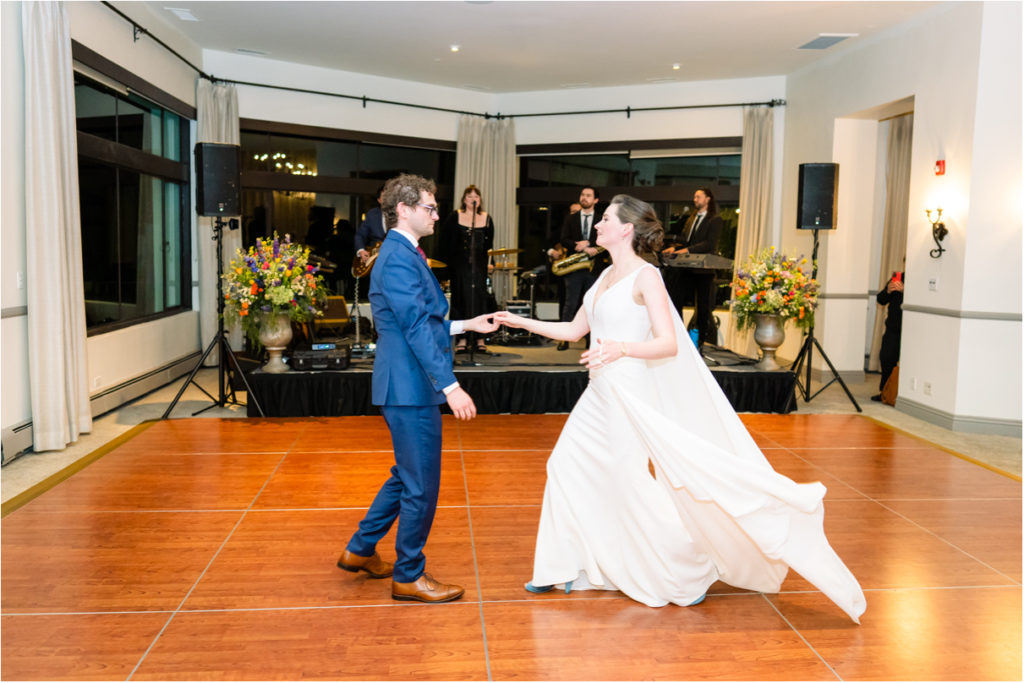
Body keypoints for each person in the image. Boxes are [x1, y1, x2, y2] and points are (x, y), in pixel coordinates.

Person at [493, 194, 865, 623]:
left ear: (626, 229)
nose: (597, 226)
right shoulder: (604, 276)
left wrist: (620, 348)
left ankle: (685, 569)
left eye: (606, 220)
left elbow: (668, 343)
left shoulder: (646, 277)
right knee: (564, 466)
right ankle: (560, 564)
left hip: (628, 393)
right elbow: (576, 329)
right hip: (598, 394)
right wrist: (520, 322)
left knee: (629, 485)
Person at [337, 173, 499, 603]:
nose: (436, 214)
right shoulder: (398, 257)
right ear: (403, 210)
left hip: (405, 384)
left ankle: (360, 549)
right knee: (421, 484)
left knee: (405, 475)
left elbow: (424, 321)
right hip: (410, 386)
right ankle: (409, 575)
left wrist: (467, 324)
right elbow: (413, 329)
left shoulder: (402, 253)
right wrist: (451, 387)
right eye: (429, 207)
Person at [662, 188, 723, 347]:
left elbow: (709, 243)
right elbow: (686, 241)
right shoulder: (691, 218)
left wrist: (687, 250)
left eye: (698, 196)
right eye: (694, 196)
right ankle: (679, 337)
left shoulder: (714, 219)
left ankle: (700, 342)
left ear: (708, 199)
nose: (695, 199)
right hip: (687, 268)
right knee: (676, 299)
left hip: (703, 270)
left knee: (702, 306)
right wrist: (674, 248)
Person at [439, 185, 495, 354]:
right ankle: (462, 338)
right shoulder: (455, 216)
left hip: (479, 266)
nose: (473, 198)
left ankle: (479, 338)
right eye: (469, 195)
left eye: (475, 195)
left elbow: (489, 245)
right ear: (464, 199)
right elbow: (445, 242)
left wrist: (490, 263)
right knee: (460, 299)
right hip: (460, 266)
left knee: (480, 299)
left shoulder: (486, 218)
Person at [556, 186, 606, 350]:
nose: (584, 197)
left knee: (592, 305)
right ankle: (564, 339)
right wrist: (580, 246)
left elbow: (605, 238)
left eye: (588, 195)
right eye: (582, 195)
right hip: (574, 268)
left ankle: (591, 339)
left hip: (594, 269)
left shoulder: (601, 219)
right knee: (570, 304)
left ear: (595, 200)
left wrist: (590, 244)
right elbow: (563, 239)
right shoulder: (571, 218)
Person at [872, 269, 904, 402]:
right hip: (892, 328)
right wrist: (888, 291)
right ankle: (884, 392)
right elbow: (881, 300)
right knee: (886, 358)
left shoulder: (919, 281)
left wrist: (904, 292)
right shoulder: (897, 278)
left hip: (909, 330)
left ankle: (900, 394)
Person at [354, 184, 387, 268]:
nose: (388, 199)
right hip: (374, 263)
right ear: (379, 200)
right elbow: (360, 235)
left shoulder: (401, 214)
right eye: (385, 196)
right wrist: (361, 250)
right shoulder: (372, 214)